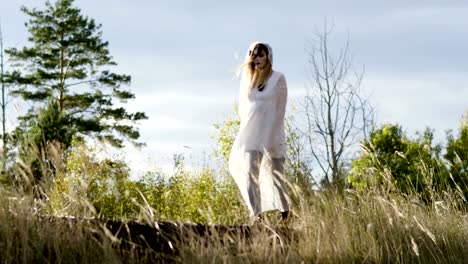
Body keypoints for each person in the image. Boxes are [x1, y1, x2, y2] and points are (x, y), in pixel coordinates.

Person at [228, 41, 290, 222]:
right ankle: (257, 216)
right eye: (254, 55)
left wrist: (272, 136)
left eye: (261, 55)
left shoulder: (278, 78)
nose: (257, 58)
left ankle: (285, 214)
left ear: (268, 57)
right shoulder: (249, 79)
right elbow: (244, 108)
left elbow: (280, 110)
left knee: (277, 177)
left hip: (272, 133)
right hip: (252, 134)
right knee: (249, 173)